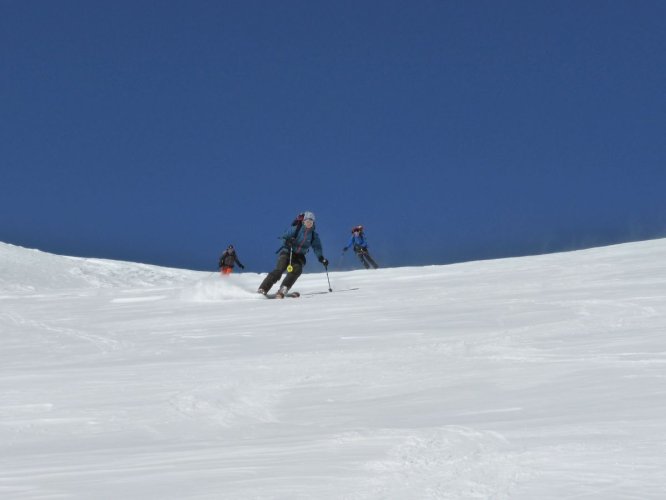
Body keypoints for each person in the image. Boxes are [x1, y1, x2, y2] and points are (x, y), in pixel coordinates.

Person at [258, 211, 329, 298]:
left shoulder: (314, 235)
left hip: (299, 256)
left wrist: (321, 258)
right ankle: (263, 289)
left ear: (313, 223)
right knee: (279, 270)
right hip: (287, 252)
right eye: (307, 222)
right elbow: (283, 237)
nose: (309, 224)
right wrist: (287, 242)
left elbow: (317, 247)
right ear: (303, 222)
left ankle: (284, 288)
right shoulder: (295, 229)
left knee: (297, 269)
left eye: (311, 222)